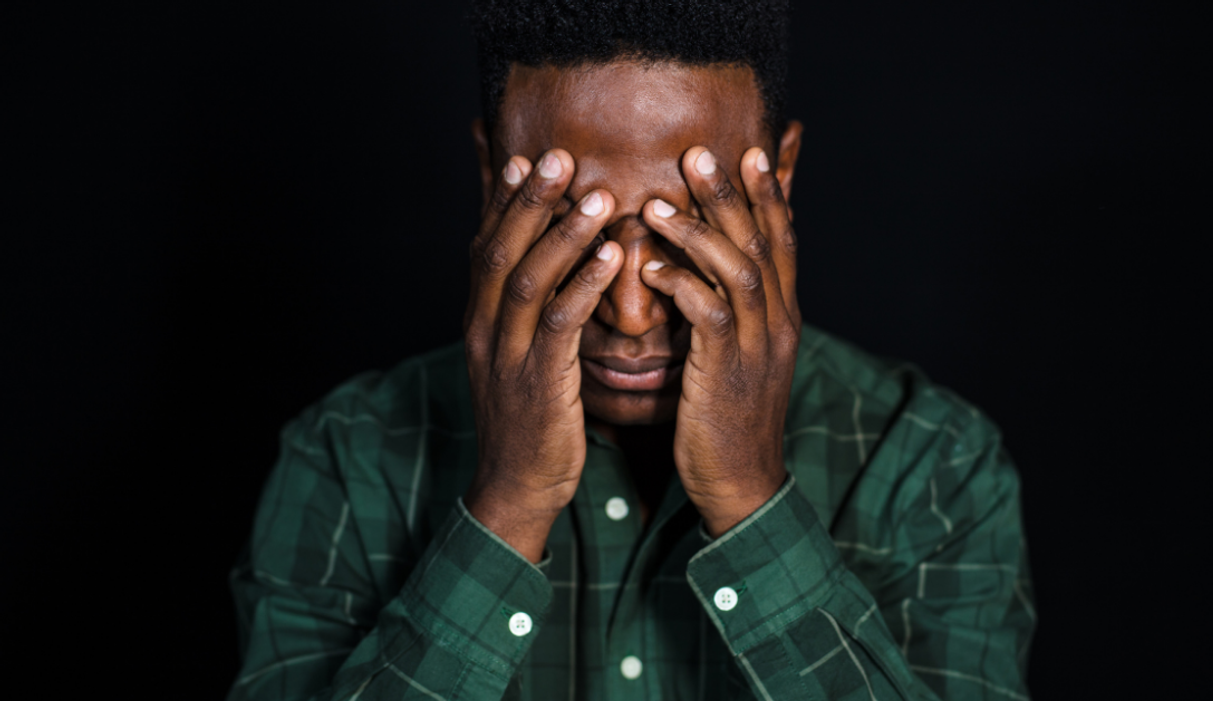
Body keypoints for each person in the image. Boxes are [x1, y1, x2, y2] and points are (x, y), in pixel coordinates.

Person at [227, 1, 1035, 698]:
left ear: (779, 176)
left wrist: (752, 502)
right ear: (488, 177)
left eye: (686, 225)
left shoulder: (930, 462)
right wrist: (506, 506)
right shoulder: (346, 455)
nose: (631, 309)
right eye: (570, 222)